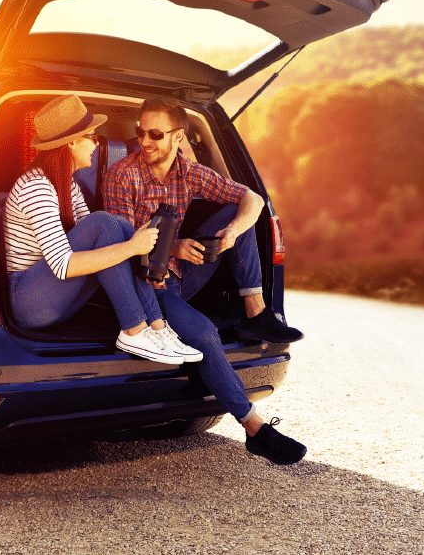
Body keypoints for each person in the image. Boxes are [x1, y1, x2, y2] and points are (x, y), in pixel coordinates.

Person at [102, 96, 307, 465]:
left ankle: (255, 312)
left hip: (180, 274)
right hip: (146, 285)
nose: (143, 141)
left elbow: (254, 200)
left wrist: (231, 232)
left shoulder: (189, 172)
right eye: (139, 132)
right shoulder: (123, 175)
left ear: (178, 136)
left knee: (237, 213)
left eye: (155, 133)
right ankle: (256, 429)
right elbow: (123, 249)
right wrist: (175, 246)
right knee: (205, 334)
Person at [3, 94, 202, 366]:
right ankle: (133, 329)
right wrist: (132, 248)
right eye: (93, 137)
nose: (97, 145)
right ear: (72, 142)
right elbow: (64, 266)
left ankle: (156, 327)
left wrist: (133, 247)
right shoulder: (36, 187)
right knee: (108, 224)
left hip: (54, 299)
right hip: (28, 303)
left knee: (117, 226)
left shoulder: (67, 185)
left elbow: (105, 239)